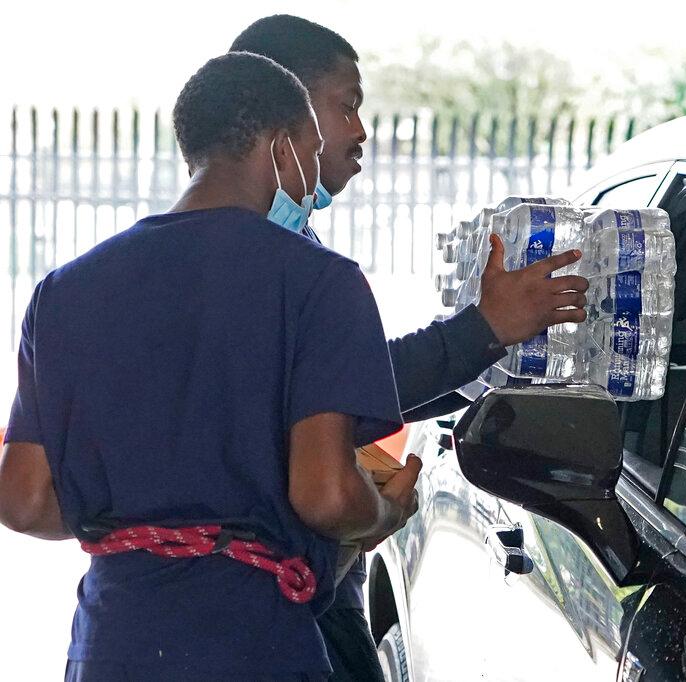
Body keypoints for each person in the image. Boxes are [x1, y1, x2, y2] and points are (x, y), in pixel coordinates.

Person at [0, 52, 420, 680]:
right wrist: (383, 513)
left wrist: (143, 523)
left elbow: (24, 500)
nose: (311, 184)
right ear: (281, 149)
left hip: (112, 643)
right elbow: (327, 494)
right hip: (253, 642)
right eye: (308, 156)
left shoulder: (65, 290)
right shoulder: (320, 284)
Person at [229, 15, 591, 682]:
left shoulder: (290, 248)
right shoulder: (249, 263)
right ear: (288, 115)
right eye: (348, 106)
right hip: (265, 600)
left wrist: (492, 356)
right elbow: (332, 392)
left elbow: (351, 385)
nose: (361, 132)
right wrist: (482, 331)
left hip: (312, 582)